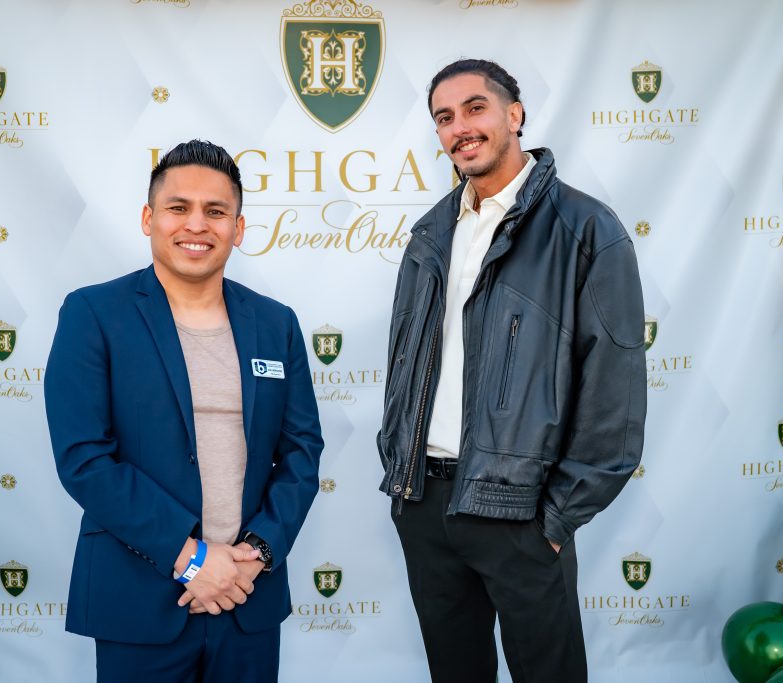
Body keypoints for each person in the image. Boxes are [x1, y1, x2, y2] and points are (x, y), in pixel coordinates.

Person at [377, 59, 646, 683]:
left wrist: (555, 517)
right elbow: (404, 362)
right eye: (444, 117)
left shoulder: (585, 228)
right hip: (424, 499)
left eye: (475, 108)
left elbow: (614, 386)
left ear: (514, 115)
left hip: (520, 512)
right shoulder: (431, 234)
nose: (459, 127)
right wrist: (400, 469)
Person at [45, 140, 323, 683]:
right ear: (150, 219)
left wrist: (255, 554)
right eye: (179, 208)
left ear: (237, 229)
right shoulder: (93, 313)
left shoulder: (276, 324)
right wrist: (193, 558)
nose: (197, 224)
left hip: (249, 595)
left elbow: (302, 452)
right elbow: (85, 460)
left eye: (216, 211)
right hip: (141, 599)